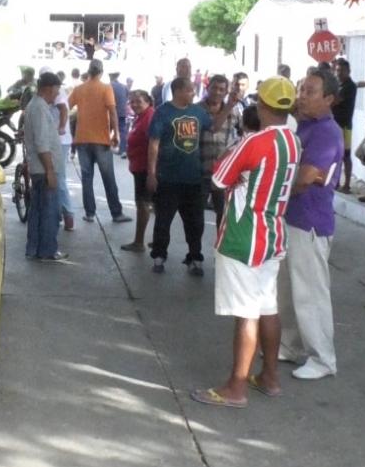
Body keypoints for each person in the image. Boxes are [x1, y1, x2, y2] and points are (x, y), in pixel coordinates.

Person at [189, 77, 300, 409]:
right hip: (273, 233)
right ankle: (269, 377)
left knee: (246, 314)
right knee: (268, 307)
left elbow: (220, 177)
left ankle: (236, 387)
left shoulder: (253, 142)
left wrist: (240, 173)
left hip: (243, 236)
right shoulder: (293, 141)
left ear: (261, 105)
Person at [280, 69, 344, 381]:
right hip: (292, 217)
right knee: (288, 289)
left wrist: (276, 192)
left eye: (311, 91)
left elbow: (307, 177)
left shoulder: (325, 132)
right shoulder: (302, 126)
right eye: (302, 89)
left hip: (310, 220)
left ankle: (323, 358)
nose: (302, 96)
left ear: (329, 99)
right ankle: (291, 346)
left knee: (310, 292)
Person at [147, 77, 237, 275]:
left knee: (195, 222)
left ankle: (195, 257)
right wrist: (151, 173)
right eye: (189, 90)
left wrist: (229, 106)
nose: (193, 93)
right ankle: (159, 255)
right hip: (168, 177)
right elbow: (153, 143)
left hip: (193, 178)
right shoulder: (163, 112)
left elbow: (213, 126)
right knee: (163, 219)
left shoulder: (198, 112)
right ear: (178, 91)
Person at [70, 59, 132, 223]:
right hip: (101, 139)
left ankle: (90, 213)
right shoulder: (106, 88)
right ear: (101, 73)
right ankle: (116, 213)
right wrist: (116, 134)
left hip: (82, 139)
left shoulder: (79, 89)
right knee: (108, 177)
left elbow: (66, 106)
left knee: (86, 177)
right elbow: (112, 113)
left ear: (89, 72)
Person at [24, 71, 68, 262]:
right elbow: (42, 143)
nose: (57, 94)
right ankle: (47, 250)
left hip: (41, 168)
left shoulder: (37, 106)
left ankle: (35, 249)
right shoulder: (39, 108)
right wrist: (50, 170)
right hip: (44, 169)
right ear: (49, 88)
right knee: (49, 211)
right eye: (57, 89)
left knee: (39, 210)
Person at [199, 74, 241, 226]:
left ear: (226, 92)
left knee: (223, 215)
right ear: (207, 88)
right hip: (200, 171)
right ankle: (194, 250)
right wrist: (229, 106)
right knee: (196, 215)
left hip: (223, 173)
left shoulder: (235, 112)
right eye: (214, 88)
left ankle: (220, 247)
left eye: (221, 89)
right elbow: (213, 128)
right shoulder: (197, 110)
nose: (217, 92)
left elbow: (244, 132)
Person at [39, 67, 76, 232]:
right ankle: (60, 212)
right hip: (55, 139)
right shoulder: (42, 97)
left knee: (58, 176)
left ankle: (68, 214)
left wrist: (61, 127)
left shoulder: (57, 93)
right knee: (55, 177)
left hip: (59, 140)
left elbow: (64, 109)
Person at [121, 90, 156, 252]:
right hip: (140, 167)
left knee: (143, 205)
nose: (134, 104)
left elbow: (153, 145)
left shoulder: (149, 117)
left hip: (145, 168)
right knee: (145, 204)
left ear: (148, 102)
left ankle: (139, 242)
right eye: (132, 101)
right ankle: (146, 241)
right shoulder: (141, 116)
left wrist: (151, 172)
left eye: (138, 101)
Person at [331, 59, 357, 192]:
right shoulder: (339, 85)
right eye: (337, 70)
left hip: (345, 125)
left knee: (346, 155)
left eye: (342, 70)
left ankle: (347, 184)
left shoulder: (349, 86)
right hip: (336, 124)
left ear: (348, 71)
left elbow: (335, 101)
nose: (339, 73)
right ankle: (335, 182)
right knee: (335, 155)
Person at [109, 72, 130, 156]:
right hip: (122, 112)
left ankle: (105, 148)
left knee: (107, 129)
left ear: (110, 77)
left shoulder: (109, 86)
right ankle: (123, 150)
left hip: (111, 112)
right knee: (122, 130)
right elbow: (127, 97)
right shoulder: (124, 86)